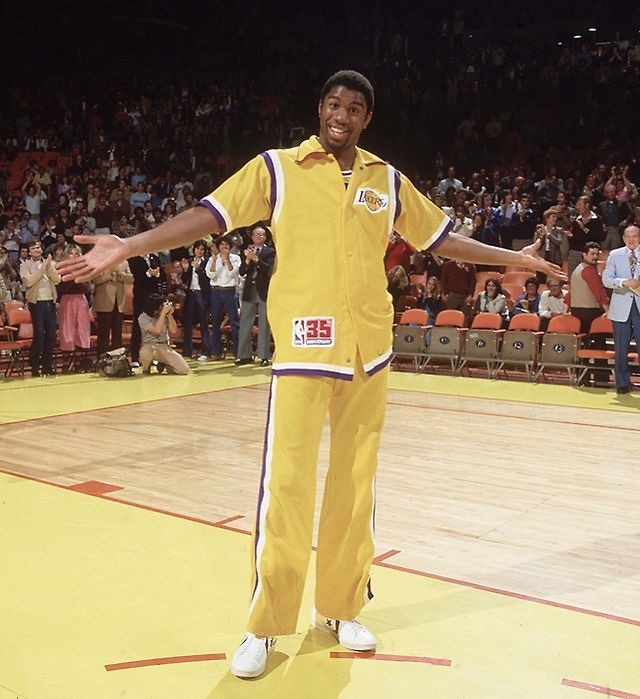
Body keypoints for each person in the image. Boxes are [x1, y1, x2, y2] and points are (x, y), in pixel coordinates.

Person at [58, 70, 563, 680]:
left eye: (354, 107)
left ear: (367, 118)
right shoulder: (277, 168)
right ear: (319, 109)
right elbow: (208, 216)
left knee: (354, 487)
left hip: (368, 351)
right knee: (288, 490)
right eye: (333, 104)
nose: (341, 115)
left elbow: (444, 240)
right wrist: (131, 244)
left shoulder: (387, 180)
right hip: (303, 348)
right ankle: (265, 626)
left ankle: (339, 608)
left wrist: (519, 259)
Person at [602, 225, 640, 394]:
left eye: (635, 236)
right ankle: (622, 385)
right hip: (621, 307)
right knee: (621, 349)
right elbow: (606, 280)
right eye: (628, 236)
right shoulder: (615, 255)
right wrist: (624, 282)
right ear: (623, 239)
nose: (631, 239)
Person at [235, 223, 276, 367]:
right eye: (256, 234)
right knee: (245, 322)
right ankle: (244, 354)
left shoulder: (270, 252)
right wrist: (247, 259)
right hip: (249, 290)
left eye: (262, 234)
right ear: (251, 237)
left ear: (265, 237)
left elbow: (269, 270)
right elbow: (241, 272)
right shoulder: (246, 251)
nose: (259, 236)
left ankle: (264, 355)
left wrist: (256, 259)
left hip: (263, 290)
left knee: (264, 324)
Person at [20, 240, 60, 376]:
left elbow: (57, 280)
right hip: (36, 303)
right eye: (33, 248)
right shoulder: (25, 265)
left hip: (50, 301)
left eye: (38, 247)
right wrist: (43, 266)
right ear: (29, 252)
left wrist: (49, 268)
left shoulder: (50, 264)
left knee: (51, 335)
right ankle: (34, 366)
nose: (36, 250)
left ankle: (47, 366)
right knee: (39, 336)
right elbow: (29, 282)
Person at [205, 235, 241, 360]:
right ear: (218, 246)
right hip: (216, 291)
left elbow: (232, 273)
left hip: (230, 291)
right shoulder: (212, 259)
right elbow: (211, 275)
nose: (224, 247)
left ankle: (238, 352)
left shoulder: (235, 258)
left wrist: (227, 260)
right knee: (215, 322)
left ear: (230, 247)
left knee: (234, 322)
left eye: (227, 245)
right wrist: (215, 260)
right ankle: (216, 352)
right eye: (222, 245)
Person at [137, 293, 190, 375]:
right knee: (145, 352)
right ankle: (146, 369)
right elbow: (156, 330)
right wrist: (162, 314)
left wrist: (169, 316)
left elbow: (173, 330)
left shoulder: (164, 314)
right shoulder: (142, 318)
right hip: (149, 346)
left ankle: (165, 365)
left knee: (184, 370)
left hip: (164, 346)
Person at [56, 244, 92, 364]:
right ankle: (67, 360)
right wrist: (76, 279)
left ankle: (80, 359)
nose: (74, 256)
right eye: (72, 253)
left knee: (82, 327)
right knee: (67, 327)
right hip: (67, 299)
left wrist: (74, 278)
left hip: (81, 300)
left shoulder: (84, 267)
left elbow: (87, 287)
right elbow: (62, 287)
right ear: (67, 255)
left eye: (77, 253)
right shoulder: (62, 268)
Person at [92, 259, 134, 358]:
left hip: (119, 303)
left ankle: (117, 360)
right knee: (103, 335)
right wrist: (110, 272)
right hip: (104, 303)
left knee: (117, 335)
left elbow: (131, 279)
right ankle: (101, 360)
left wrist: (119, 273)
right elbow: (95, 280)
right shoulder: (99, 261)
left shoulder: (124, 261)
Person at [568, 242, 610, 334]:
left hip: (575, 310)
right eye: (592, 254)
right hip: (589, 311)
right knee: (599, 336)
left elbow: (570, 292)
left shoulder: (576, 270)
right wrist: (607, 310)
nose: (595, 257)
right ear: (584, 254)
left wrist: (565, 309)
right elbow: (599, 291)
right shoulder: (589, 270)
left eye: (597, 254)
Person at [180, 239, 212, 360]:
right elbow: (184, 280)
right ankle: (187, 352)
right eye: (197, 249)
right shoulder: (189, 261)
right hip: (191, 293)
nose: (199, 251)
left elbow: (208, 278)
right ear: (194, 250)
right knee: (187, 323)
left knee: (204, 323)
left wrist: (198, 269)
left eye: (202, 249)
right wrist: (185, 270)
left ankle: (205, 352)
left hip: (202, 294)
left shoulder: (208, 262)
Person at [566, 195, 605, 278]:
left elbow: (600, 237)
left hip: (589, 254)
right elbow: (577, 238)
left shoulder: (597, 220)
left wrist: (584, 229)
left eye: (579, 205)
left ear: (587, 205)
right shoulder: (576, 220)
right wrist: (570, 236)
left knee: (590, 279)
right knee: (572, 278)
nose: (577, 207)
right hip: (575, 253)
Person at [440, 257, 476, 326]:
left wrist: (470, 295)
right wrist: (445, 293)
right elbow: (443, 280)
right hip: (452, 295)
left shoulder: (470, 266)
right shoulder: (448, 265)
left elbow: (473, 282)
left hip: (465, 296)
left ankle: (462, 334)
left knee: (464, 318)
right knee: (451, 317)